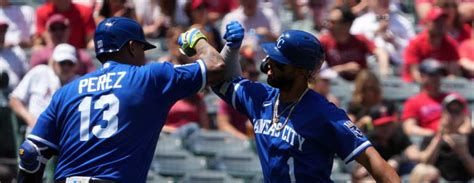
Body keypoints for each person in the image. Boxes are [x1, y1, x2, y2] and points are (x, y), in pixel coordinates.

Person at [16, 17, 238, 182]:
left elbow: (31, 152)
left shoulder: (67, 91)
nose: (144, 55)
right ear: (132, 47)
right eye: (142, 48)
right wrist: (197, 39)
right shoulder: (149, 77)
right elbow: (217, 66)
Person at [212, 27, 400, 181]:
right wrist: (231, 49)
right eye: (270, 58)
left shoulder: (324, 114)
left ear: (301, 72)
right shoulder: (260, 97)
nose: (269, 65)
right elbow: (219, 81)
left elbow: (375, 162)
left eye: (279, 62)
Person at [9, 43, 78, 136]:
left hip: (66, 137)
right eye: (62, 63)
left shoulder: (79, 83)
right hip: (36, 136)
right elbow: (14, 100)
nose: (66, 67)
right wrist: (30, 119)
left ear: (75, 65)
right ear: (53, 62)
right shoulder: (40, 73)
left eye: (70, 63)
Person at [402, 60, 472, 137]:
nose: (437, 77)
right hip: (429, 141)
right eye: (433, 74)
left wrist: (459, 133)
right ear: (422, 76)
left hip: (457, 139)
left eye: (439, 74)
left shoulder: (454, 98)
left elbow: (467, 122)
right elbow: (409, 128)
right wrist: (435, 135)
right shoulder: (414, 102)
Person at [319, 6, 390, 80]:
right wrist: (343, 68)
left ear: (347, 25)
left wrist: (384, 73)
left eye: (333, 22)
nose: (328, 25)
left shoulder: (360, 40)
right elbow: (319, 72)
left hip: (360, 86)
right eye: (328, 21)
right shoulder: (324, 42)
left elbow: (381, 52)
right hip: (333, 86)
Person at [419, 93, 474, 181]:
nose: (453, 116)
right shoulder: (431, 136)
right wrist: (439, 137)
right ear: (443, 113)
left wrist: (464, 153)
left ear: (463, 115)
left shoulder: (471, 138)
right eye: (450, 111)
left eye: (457, 111)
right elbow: (425, 163)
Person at [402, 7, 460, 83]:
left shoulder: (451, 44)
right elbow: (415, 73)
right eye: (437, 22)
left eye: (443, 21)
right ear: (427, 24)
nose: (440, 25)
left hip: (442, 86)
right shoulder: (416, 43)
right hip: (415, 86)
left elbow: (453, 73)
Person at [29, 14, 95, 75]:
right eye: (54, 28)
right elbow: (34, 80)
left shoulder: (82, 57)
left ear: (69, 30)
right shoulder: (39, 56)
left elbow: (92, 79)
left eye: (62, 28)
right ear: (48, 31)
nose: (58, 33)